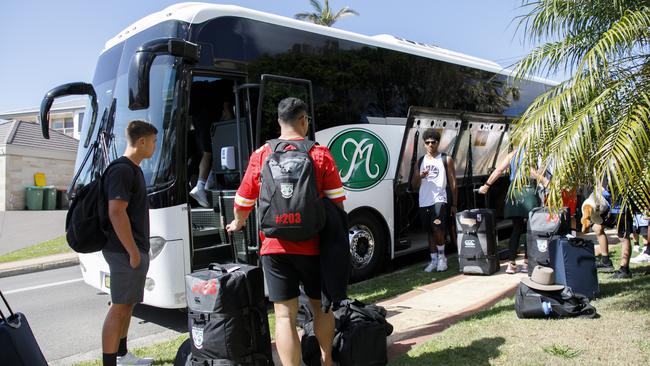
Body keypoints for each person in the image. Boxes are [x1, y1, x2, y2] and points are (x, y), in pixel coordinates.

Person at [225, 97, 345, 366]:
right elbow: (337, 201)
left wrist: (238, 222)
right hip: (315, 246)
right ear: (303, 120)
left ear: (280, 122)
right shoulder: (320, 153)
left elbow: (242, 201)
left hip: (274, 247)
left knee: (283, 316)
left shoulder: (261, 154)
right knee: (320, 309)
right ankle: (327, 362)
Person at [101, 120, 158, 366]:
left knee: (127, 305)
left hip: (131, 249)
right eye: (154, 142)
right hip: (124, 251)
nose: (155, 146)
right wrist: (133, 252)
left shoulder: (133, 169)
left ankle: (123, 356)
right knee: (119, 307)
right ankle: (111, 362)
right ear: (142, 141)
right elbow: (116, 211)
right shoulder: (122, 170)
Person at [478, 149, 546, 274]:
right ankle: (526, 263)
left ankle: (511, 264)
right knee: (529, 229)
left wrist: (486, 185)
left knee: (516, 229)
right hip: (528, 191)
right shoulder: (532, 153)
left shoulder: (512, 155)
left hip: (514, 192)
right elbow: (531, 172)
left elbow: (498, 171)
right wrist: (545, 181)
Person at [410, 129, 457, 272]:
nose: (430, 145)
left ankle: (443, 258)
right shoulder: (420, 161)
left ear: (438, 143)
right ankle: (433, 260)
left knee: (438, 228)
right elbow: (414, 185)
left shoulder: (446, 159)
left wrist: (454, 204)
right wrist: (420, 176)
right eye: (427, 142)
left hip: (439, 199)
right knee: (430, 231)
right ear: (424, 144)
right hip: (424, 200)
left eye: (433, 142)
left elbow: (453, 183)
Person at [580, 188, 634, 278]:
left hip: (620, 200)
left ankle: (625, 270)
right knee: (597, 228)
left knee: (622, 235)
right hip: (605, 199)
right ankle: (606, 262)